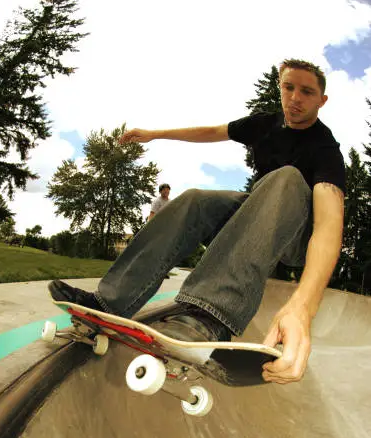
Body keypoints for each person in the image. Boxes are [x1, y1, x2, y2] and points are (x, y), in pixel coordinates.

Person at [49, 58, 345, 385]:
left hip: (296, 238)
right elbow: (209, 131)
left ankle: (207, 315)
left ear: (322, 100)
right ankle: (109, 301)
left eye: (307, 92)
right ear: (280, 86)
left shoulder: (325, 148)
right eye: (289, 87)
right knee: (194, 201)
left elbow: (330, 225)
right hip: (255, 218)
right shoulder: (265, 125)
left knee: (286, 179)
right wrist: (153, 134)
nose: (295, 98)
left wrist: (304, 306)